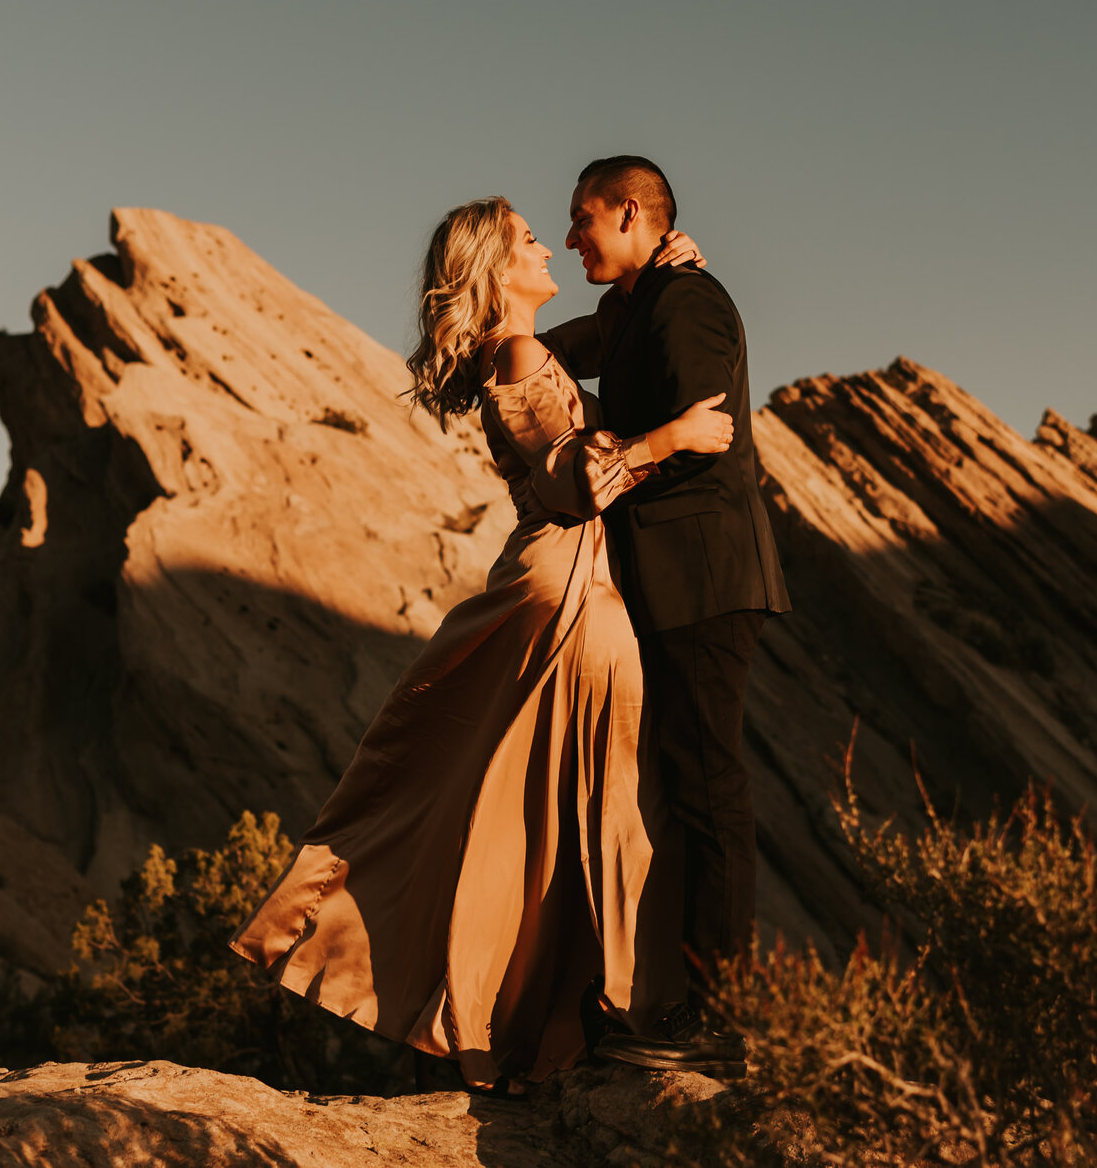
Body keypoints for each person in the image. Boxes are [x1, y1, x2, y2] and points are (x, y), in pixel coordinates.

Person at [230, 197, 731, 1091]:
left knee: (541, 806)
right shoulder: (520, 352)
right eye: (534, 239)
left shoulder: (526, 346)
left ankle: (546, 1020)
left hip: (561, 583)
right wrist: (675, 436)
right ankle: (610, 1017)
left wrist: (658, 269)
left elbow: (600, 339)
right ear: (498, 267)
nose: (553, 247)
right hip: (573, 584)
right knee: (606, 805)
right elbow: (580, 484)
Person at [541, 155, 791, 1077]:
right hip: (678, 577)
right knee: (687, 788)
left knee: (710, 786)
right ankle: (684, 1003)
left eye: (583, 219)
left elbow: (704, 430)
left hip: (704, 576)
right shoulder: (640, 302)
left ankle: (722, 1017)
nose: (571, 238)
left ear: (633, 210)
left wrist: (623, 459)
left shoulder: (686, 301)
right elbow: (566, 350)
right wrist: (497, 332)